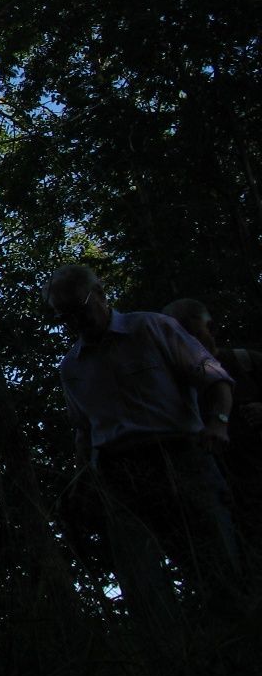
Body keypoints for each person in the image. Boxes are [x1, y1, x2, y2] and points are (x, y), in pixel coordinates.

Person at [46, 265, 237, 624]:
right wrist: (82, 477)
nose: (73, 321)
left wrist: (219, 422)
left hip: (180, 455)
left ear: (100, 294)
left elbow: (214, 377)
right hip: (118, 474)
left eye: (78, 308)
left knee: (214, 555)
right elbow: (84, 431)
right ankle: (165, 646)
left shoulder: (151, 328)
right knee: (140, 575)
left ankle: (236, 634)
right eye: (63, 315)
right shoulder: (71, 366)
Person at [165, 297, 262, 552]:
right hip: (229, 500)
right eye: (179, 338)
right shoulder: (177, 388)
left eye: (193, 334)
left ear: (212, 329)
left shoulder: (246, 362)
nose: (188, 344)